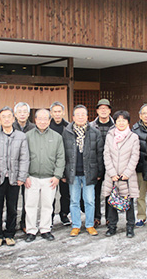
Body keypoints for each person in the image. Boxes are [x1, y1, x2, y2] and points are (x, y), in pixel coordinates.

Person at [0, 106, 30, 247]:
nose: (6, 119)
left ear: (13, 118)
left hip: (14, 178)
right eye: (3, 117)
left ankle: (10, 233)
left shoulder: (21, 136)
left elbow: (24, 158)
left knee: (12, 208)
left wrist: (21, 177)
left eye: (9, 116)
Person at [62, 105, 104, 237]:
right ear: (73, 117)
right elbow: (62, 154)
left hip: (89, 172)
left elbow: (99, 154)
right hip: (73, 172)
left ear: (87, 117)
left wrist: (99, 172)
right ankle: (76, 225)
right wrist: (63, 173)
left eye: (83, 114)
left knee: (89, 200)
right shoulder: (67, 132)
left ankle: (90, 224)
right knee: (74, 200)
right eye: (77, 114)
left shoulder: (94, 132)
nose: (80, 117)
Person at [24, 109, 65, 242]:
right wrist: (25, 175)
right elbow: (23, 157)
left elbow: (60, 158)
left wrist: (57, 175)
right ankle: (30, 230)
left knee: (48, 205)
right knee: (30, 205)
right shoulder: (28, 136)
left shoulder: (57, 137)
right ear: (35, 120)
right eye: (39, 119)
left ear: (49, 120)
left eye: (45, 119)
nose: (42, 121)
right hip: (32, 177)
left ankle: (45, 229)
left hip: (50, 178)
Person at [102, 110, 140, 238]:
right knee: (112, 201)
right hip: (112, 175)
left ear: (128, 122)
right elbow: (106, 155)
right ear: (115, 122)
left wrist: (127, 173)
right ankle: (112, 226)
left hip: (127, 176)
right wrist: (112, 173)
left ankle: (130, 227)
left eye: (124, 120)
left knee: (128, 202)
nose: (121, 123)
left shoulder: (133, 137)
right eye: (119, 120)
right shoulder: (110, 136)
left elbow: (135, 156)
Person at [90, 99, 114, 228]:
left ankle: (110, 218)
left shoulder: (116, 125)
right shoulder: (91, 126)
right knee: (95, 192)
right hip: (96, 163)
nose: (103, 110)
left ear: (110, 111)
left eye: (106, 108)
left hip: (112, 163)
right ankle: (96, 217)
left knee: (110, 192)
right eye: (101, 108)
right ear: (97, 111)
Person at [12, 102, 35, 234]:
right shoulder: (10, 127)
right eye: (19, 111)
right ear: (15, 114)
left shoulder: (33, 127)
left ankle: (25, 222)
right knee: (13, 198)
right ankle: (12, 223)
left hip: (29, 168)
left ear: (28, 114)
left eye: (24, 111)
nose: (22, 114)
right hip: (13, 168)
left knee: (28, 198)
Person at [49, 101, 71, 226]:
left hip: (65, 164)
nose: (57, 114)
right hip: (50, 166)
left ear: (63, 112)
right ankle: (50, 217)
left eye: (59, 112)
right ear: (51, 113)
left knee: (65, 193)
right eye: (55, 112)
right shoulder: (47, 126)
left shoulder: (68, 127)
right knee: (51, 194)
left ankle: (64, 214)